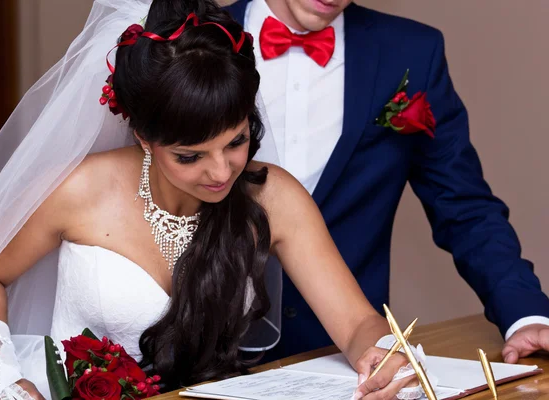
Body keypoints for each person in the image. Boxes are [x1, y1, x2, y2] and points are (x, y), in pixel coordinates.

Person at [0, 1, 425, 399]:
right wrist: (4, 379)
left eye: (236, 142)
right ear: (142, 137)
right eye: (190, 155)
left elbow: (357, 322)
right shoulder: (80, 189)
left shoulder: (275, 197)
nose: (220, 173)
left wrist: (380, 351)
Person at [224, 0, 549, 364]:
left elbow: (463, 205)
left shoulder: (410, 52)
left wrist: (526, 315)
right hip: (207, 352)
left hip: (351, 359)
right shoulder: (191, 36)